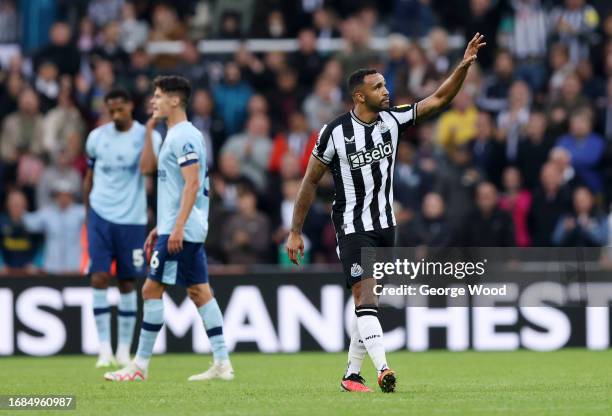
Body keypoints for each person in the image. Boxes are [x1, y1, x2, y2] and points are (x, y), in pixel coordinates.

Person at [286, 34, 486, 393]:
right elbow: (308, 182)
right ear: (359, 95)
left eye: (385, 85)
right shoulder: (334, 133)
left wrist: (463, 66)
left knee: (369, 302)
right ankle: (383, 369)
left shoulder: (391, 122)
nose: (386, 90)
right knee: (365, 296)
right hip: (351, 225)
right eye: (378, 87)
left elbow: (439, 99)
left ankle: (351, 374)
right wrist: (295, 231)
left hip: (385, 225)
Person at [104, 76, 233, 382]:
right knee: (200, 292)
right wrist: (162, 227)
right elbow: (156, 174)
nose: (153, 101)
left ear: (175, 100)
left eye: (159, 96)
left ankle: (140, 366)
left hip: (182, 229)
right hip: (179, 226)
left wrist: (175, 228)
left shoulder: (184, 136)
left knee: (151, 289)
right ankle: (222, 363)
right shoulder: (172, 134)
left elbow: (192, 183)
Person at [84, 89, 162, 368]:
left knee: (128, 282)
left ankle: (122, 350)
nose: (115, 115)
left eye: (120, 109)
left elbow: (147, 170)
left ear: (130, 106)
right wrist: (88, 215)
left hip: (132, 219)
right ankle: (103, 349)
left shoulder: (149, 136)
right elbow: (89, 177)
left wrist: (149, 132)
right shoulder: (96, 138)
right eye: (111, 110)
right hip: (100, 216)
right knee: (99, 278)